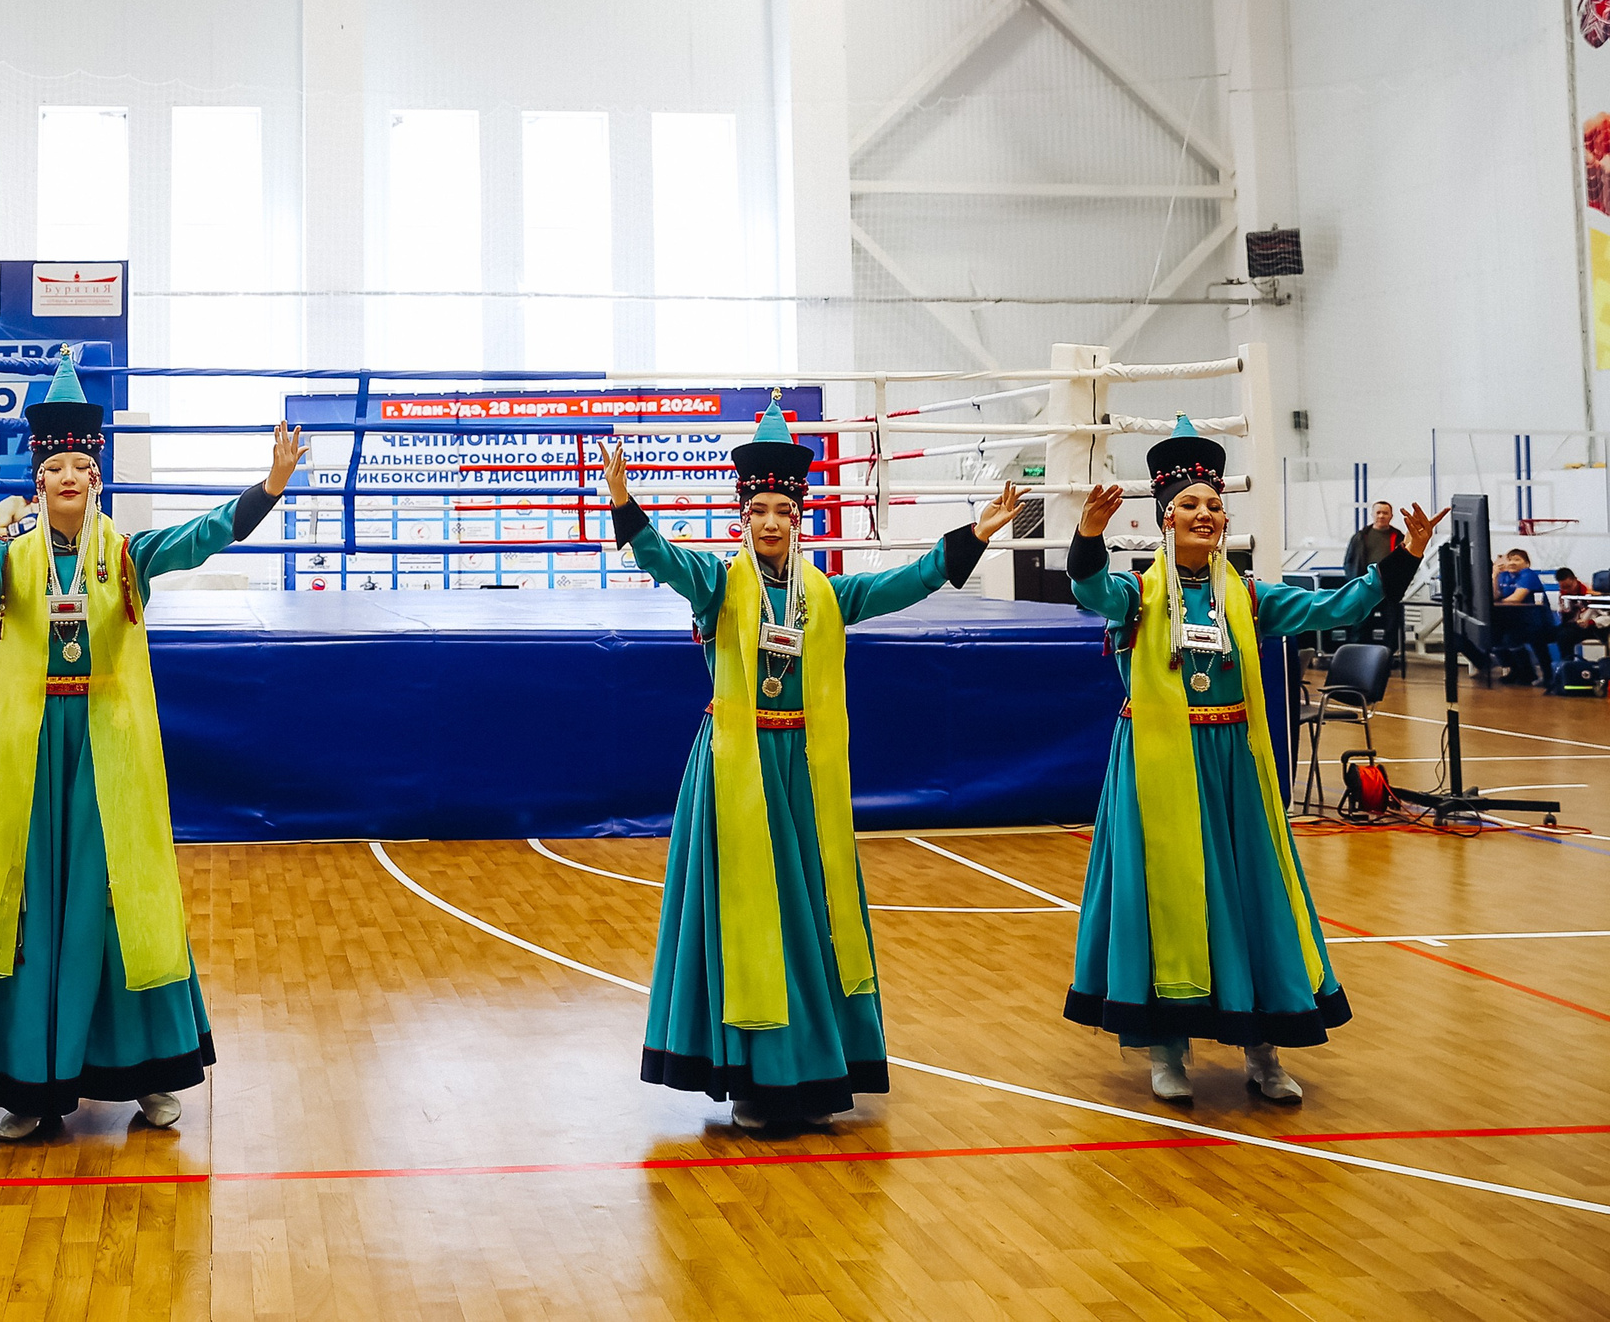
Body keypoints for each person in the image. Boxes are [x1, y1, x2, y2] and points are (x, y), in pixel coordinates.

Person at [0, 351, 304, 1139]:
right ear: (37, 482)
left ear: (97, 478)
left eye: (79, 465)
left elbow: (200, 537)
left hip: (104, 759)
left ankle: (149, 1070)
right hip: (27, 759)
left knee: (118, 900)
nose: (66, 475)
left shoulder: (125, 557)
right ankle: (28, 1079)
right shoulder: (9, 560)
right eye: (52, 465)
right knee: (26, 908)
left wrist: (269, 486)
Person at [597, 400, 1021, 1129]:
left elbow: (908, 581)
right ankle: (752, 1076)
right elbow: (662, 559)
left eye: (784, 511)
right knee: (750, 919)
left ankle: (812, 1068)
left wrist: (975, 534)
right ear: (742, 516)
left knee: (810, 917)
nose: (771, 522)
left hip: (804, 774)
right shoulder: (717, 583)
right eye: (758, 509)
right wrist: (623, 502)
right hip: (736, 769)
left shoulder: (826, 594)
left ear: (800, 519)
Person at [1062, 416, 1439, 1105]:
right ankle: (1167, 1049)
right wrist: (1088, 535)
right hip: (1156, 765)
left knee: (1252, 896)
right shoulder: (1136, 596)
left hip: (1236, 765)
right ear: (1166, 517)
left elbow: (1338, 603)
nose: (1205, 514)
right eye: (1190, 505)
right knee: (1161, 894)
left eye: (1214, 504)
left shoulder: (1250, 596)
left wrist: (1406, 555)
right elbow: (1090, 590)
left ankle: (1263, 1047)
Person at [1341, 501, 1406, 666]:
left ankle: (1385, 661)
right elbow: (1349, 562)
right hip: (1365, 590)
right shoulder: (1360, 537)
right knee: (1360, 626)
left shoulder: (1399, 537)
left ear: (1391, 516)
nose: (1381, 516)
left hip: (1390, 590)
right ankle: (1358, 661)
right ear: (1372, 514)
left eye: (1385, 513)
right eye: (1378, 512)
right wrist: (1355, 583)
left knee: (1391, 627)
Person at [1492, 548, 1553, 684]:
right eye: (1510, 559)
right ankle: (1516, 670)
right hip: (1515, 621)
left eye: (1517, 559)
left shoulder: (1528, 575)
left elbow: (1516, 598)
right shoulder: (1504, 575)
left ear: (1526, 564)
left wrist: (1499, 601)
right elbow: (1495, 595)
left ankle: (1530, 673)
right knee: (1494, 636)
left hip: (1536, 621)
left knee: (1512, 637)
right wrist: (1494, 575)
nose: (1512, 563)